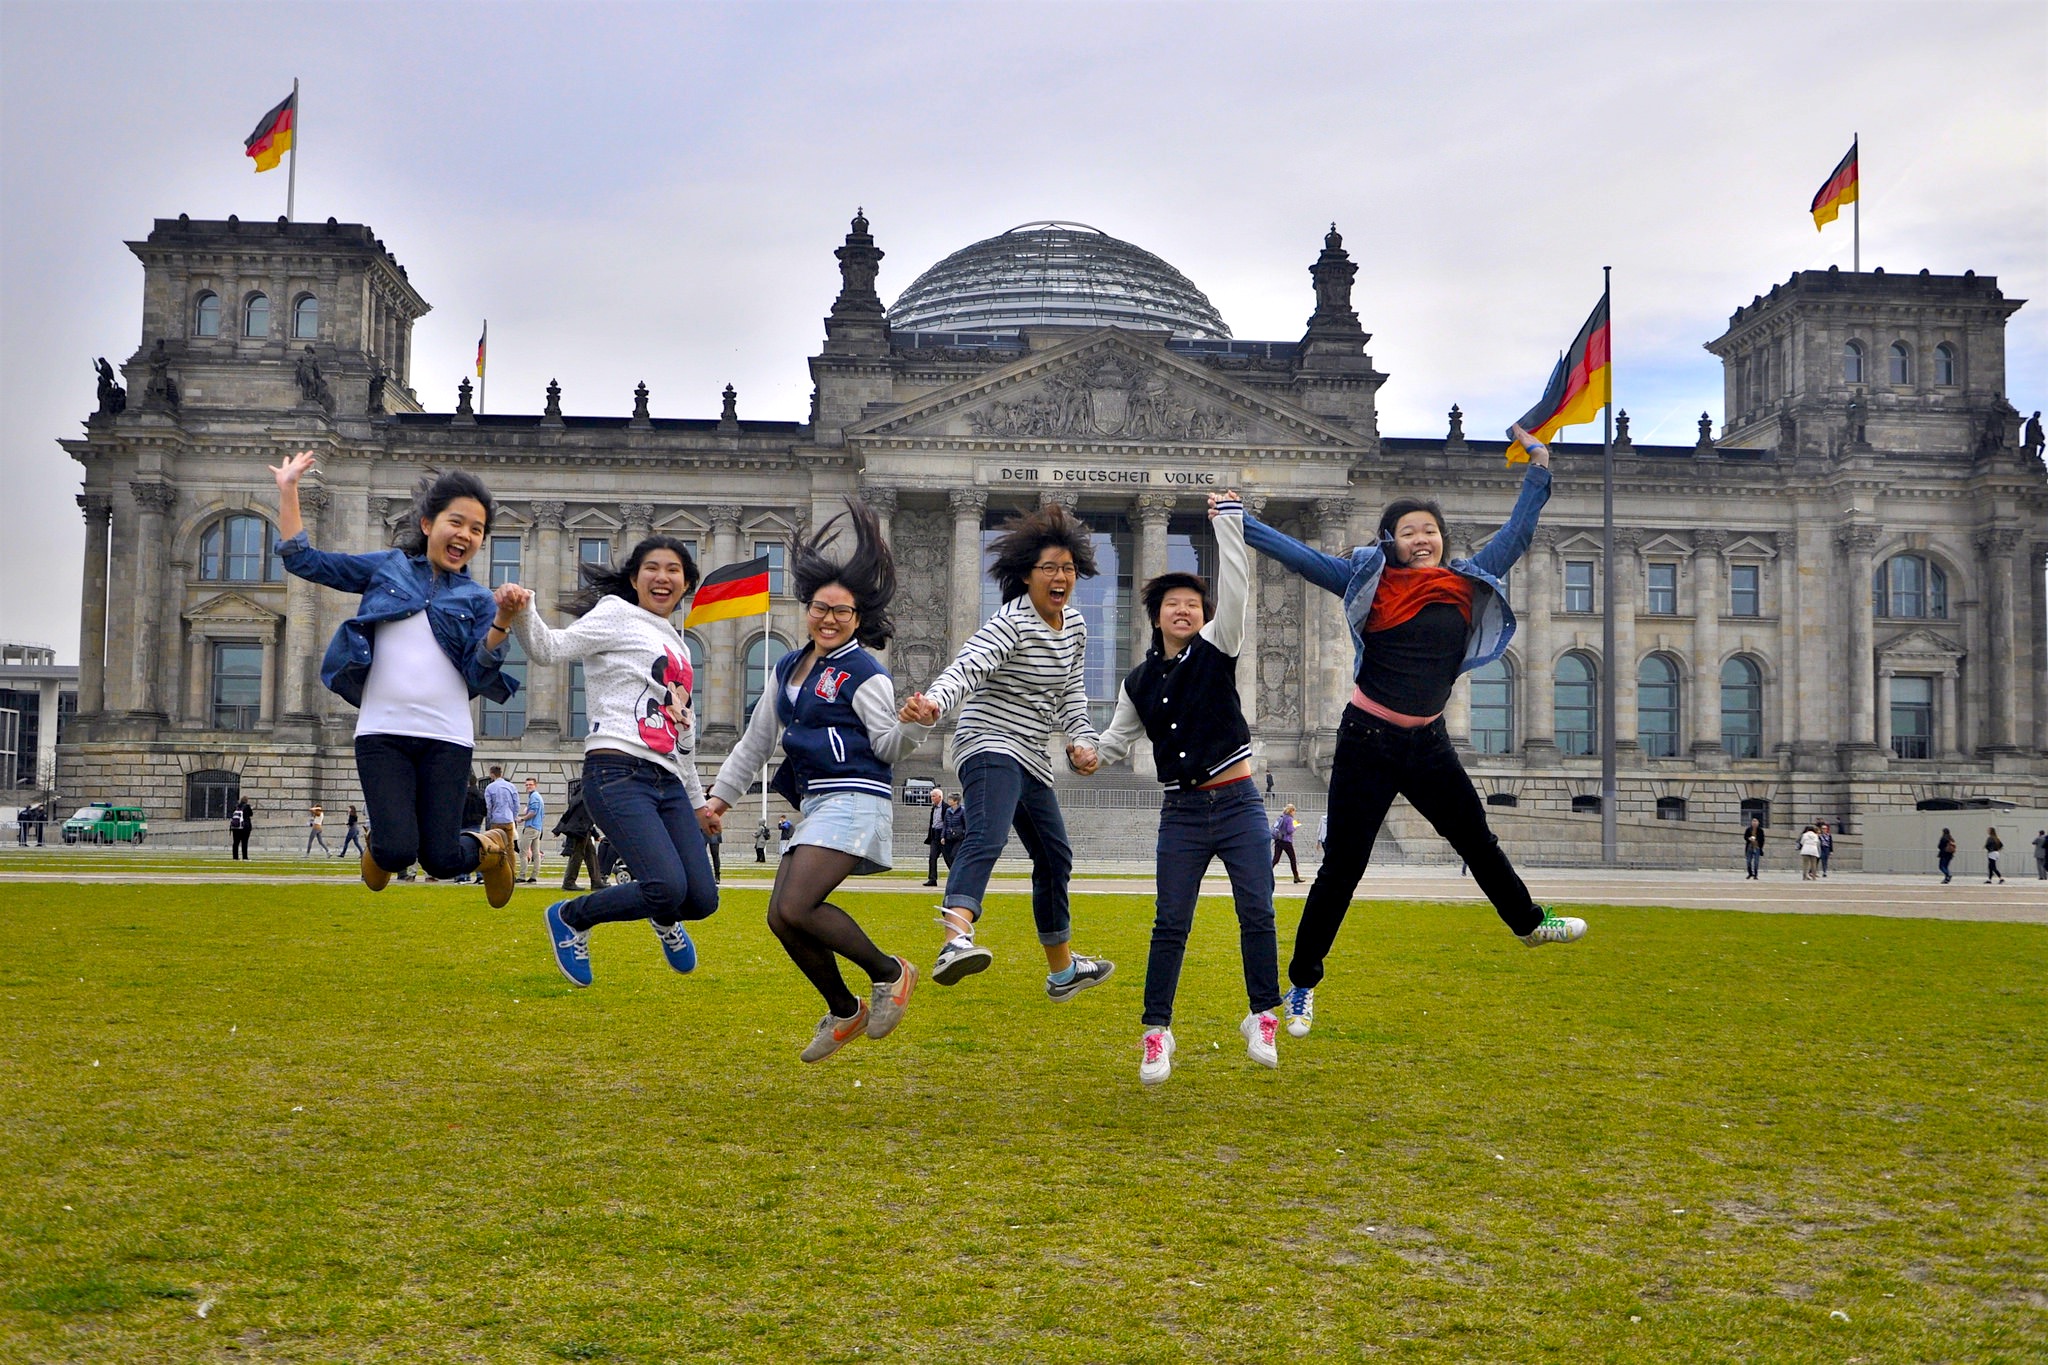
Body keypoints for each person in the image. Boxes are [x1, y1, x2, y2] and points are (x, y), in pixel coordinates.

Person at [1243, 423, 1585, 1041]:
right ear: (1392, 543)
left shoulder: (1468, 581)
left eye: (1429, 530)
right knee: (1343, 868)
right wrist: (1238, 520)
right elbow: (1299, 556)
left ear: (1441, 538)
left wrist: (1540, 468)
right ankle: (1300, 986)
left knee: (1476, 839)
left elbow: (1520, 532)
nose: (1421, 539)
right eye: (1409, 532)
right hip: (1367, 740)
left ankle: (1530, 922)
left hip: (1427, 744)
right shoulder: (1366, 586)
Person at [708, 499, 928, 1061]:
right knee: (781, 915)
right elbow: (756, 743)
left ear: (858, 619)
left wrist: (913, 727)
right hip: (820, 803)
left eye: (843, 612)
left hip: (858, 798)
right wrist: (719, 801)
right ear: (807, 608)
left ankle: (890, 972)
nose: (829, 619)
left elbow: (886, 748)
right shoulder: (786, 669)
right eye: (820, 608)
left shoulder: (865, 674)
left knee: (800, 906)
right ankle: (845, 1007)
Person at [270, 452, 520, 905]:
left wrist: (501, 621)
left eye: (477, 529)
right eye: (456, 521)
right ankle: (381, 848)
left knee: (442, 860)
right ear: (427, 524)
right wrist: (289, 489)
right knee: (396, 850)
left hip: (447, 737)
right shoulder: (387, 567)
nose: (465, 534)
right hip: (382, 732)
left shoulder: (480, 600)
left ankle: (494, 848)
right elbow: (304, 561)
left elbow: (477, 673)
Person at [1096, 489, 1281, 1084]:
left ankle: (1262, 1014)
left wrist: (1229, 524)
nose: (1184, 612)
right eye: (1173, 605)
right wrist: (1084, 754)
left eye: (1192, 605)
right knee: (1170, 922)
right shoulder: (1138, 681)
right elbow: (1114, 744)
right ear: (1155, 616)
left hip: (1238, 803)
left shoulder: (1218, 648)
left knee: (1257, 910)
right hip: (1180, 813)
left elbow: (1239, 589)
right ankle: (1157, 1033)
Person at [898, 501, 1114, 1000]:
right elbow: (967, 668)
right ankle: (955, 940)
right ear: (1026, 575)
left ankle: (1062, 971)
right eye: (1050, 568)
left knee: (1056, 856)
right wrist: (933, 703)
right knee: (988, 835)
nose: (1061, 577)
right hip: (989, 743)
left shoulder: (1076, 627)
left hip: (1033, 755)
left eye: (1069, 568)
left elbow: (1071, 695)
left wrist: (1083, 741)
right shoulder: (1008, 623)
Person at [499, 535, 719, 987]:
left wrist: (698, 802)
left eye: (674, 570)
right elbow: (550, 649)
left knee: (700, 899)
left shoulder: (677, 642)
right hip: (618, 771)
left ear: (687, 583)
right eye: (652, 568)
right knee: (665, 887)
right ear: (635, 578)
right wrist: (523, 610)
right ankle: (571, 916)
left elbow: (683, 731)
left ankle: (663, 919)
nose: (663, 577)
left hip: (669, 780)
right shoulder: (616, 613)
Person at [554, 777, 599, 891]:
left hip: (583, 828)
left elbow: (572, 813)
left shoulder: (580, 793)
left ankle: (596, 881)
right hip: (580, 829)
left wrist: (558, 829)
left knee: (590, 853)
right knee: (577, 855)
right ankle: (569, 882)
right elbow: (582, 814)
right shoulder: (586, 794)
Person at [518, 778, 545, 884]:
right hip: (537, 827)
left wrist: (522, 818)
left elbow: (533, 812)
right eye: (526, 785)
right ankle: (534, 876)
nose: (528, 786)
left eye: (530, 784)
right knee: (536, 853)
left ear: (535, 785)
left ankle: (522, 875)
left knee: (523, 852)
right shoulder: (538, 797)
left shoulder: (534, 797)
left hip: (531, 827)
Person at [922, 786, 948, 887]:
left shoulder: (946, 808)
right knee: (932, 857)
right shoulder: (933, 808)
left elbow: (947, 822)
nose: (932, 798)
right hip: (935, 836)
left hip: (943, 837)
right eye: (931, 796)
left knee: (949, 859)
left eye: (934, 796)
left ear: (940, 797)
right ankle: (932, 879)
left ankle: (958, 878)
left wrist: (945, 836)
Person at [1271, 804, 1301, 884]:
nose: (1294, 813)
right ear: (1291, 811)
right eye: (1294, 811)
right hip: (1286, 841)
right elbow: (1289, 830)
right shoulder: (1290, 819)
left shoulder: (1281, 817)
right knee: (1292, 859)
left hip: (1278, 840)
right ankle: (1296, 877)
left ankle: (1266, 873)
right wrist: (1296, 826)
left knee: (1276, 859)